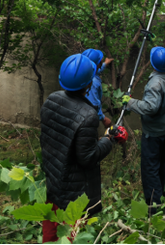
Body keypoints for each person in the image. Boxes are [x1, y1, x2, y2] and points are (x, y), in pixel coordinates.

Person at [40, 54, 120, 242]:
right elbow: (88, 157)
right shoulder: (88, 115)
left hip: (54, 180)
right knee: (72, 236)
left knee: (51, 232)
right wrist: (109, 139)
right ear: (89, 84)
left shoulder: (51, 100)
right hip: (75, 192)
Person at [123, 46, 165, 207]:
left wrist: (130, 102)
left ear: (153, 65)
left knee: (150, 169)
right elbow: (164, 58)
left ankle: (154, 207)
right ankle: (161, 197)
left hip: (153, 133)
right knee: (160, 164)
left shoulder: (156, 83)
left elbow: (150, 107)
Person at [82, 49, 114, 129]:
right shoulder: (93, 83)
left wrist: (105, 64)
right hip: (87, 117)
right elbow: (94, 104)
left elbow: (97, 71)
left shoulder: (85, 73)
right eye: (100, 62)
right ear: (97, 64)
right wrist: (103, 118)